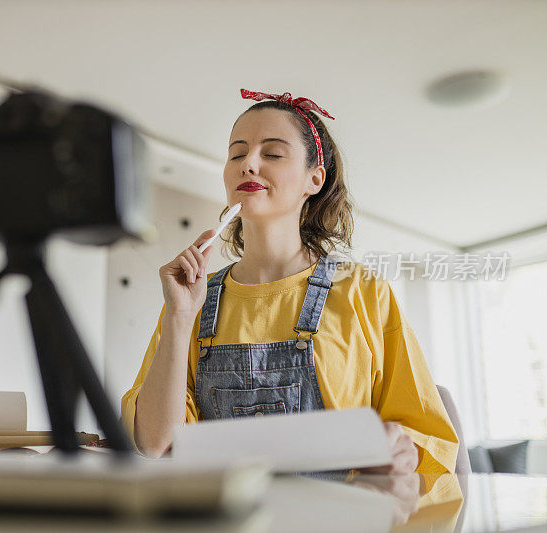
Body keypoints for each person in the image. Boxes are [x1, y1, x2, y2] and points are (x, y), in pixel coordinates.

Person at [120, 89, 459, 475]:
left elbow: (426, 437)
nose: (248, 163)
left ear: (314, 179)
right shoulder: (189, 299)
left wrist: (402, 453)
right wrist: (180, 317)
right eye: (237, 153)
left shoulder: (364, 291)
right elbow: (155, 442)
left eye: (272, 153)